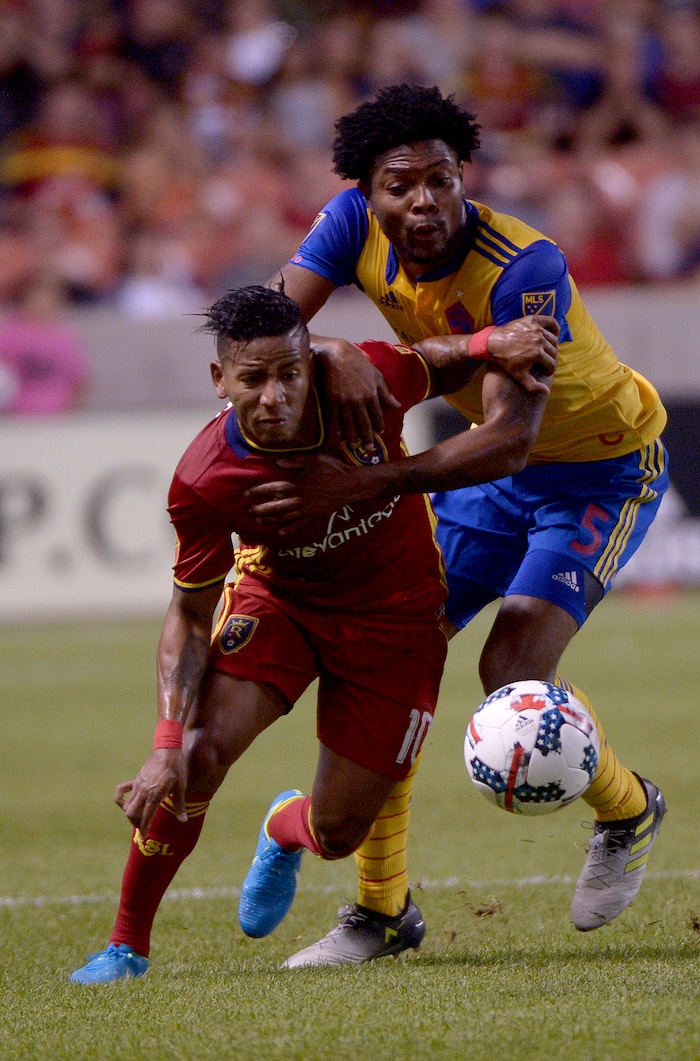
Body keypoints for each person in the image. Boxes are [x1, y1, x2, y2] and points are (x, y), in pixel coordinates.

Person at [247, 83, 669, 966]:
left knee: (509, 668)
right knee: (392, 654)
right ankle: (379, 913)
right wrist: (325, 350)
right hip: (489, 473)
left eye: (443, 179)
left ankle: (628, 808)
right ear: (369, 193)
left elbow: (513, 440)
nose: (427, 201)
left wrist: (363, 487)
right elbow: (264, 328)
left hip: (597, 467)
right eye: (402, 185)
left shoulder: (524, 265)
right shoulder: (344, 226)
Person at [69, 283, 556, 983]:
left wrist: (485, 344)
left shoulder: (364, 384)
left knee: (338, 833)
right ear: (219, 380)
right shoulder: (206, 478)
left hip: (397, 618)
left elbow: (438, 362)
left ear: (311, 365)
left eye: (289, 373)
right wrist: (164, 743)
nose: (273, 397)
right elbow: (187, 614)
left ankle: (284, 828)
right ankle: (125, 946)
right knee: (197, 756)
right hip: (284, 603)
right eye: (253, 378)